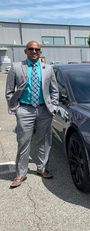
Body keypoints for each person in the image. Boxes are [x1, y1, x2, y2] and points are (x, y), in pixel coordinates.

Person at [5, 40, 59, 188]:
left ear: (40, 52)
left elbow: (54, 90)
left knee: (45, 141)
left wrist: (53, 107)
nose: (34, 52)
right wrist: (16, 108)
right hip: (25, 109)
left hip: (44, 110)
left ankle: (42, 168)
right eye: (31, 49)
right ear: (25, 51)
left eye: (37, 50)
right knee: (23, 142)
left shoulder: (48, 68)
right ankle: (20, 174)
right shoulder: (16, 67)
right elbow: (9, 91)